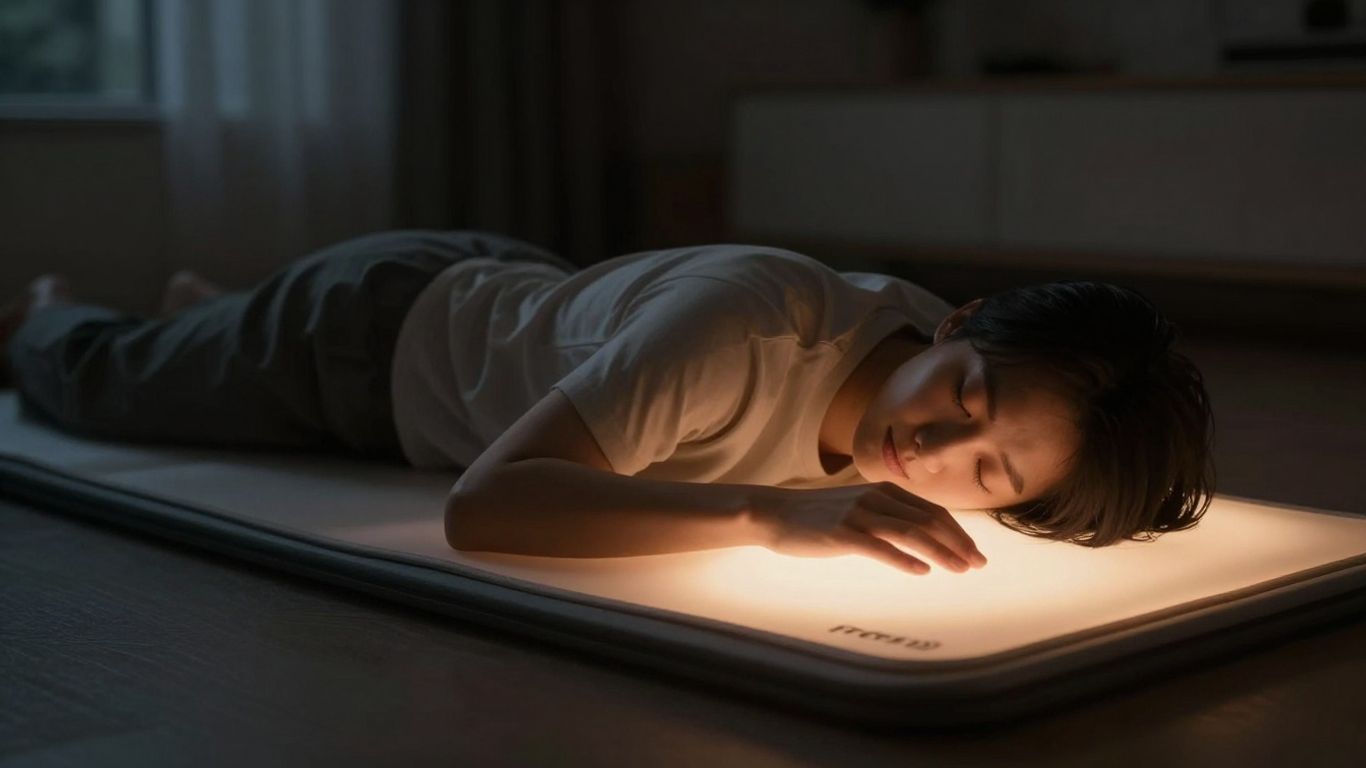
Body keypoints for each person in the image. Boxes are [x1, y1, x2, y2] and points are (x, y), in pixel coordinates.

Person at [1, 230, 1214, 576]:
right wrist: (763, 519)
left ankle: (207, 309)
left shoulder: (927, 366)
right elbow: (486, 509)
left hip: (507, 296)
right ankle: (48, 300)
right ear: (954, 321)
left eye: (991, 473)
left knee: (198, 345)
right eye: (965, 394)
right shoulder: (744, 329)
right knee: (97, 384)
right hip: (359, 346)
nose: (937, 445)